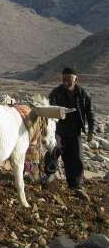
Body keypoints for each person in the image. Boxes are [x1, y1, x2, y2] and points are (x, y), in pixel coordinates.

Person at [43, 67, 95, 197]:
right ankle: (49, 176)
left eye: (69, 79)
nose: (66, 82)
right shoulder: (56, 93)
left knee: (76, 158)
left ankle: (75, 185)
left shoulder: (84, 95)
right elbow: (48, 110)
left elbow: (90, 114)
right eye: (64, 79)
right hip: (59, 129)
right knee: (53, 153)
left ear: (76, 79)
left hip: (75, 131)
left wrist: (91, 131)